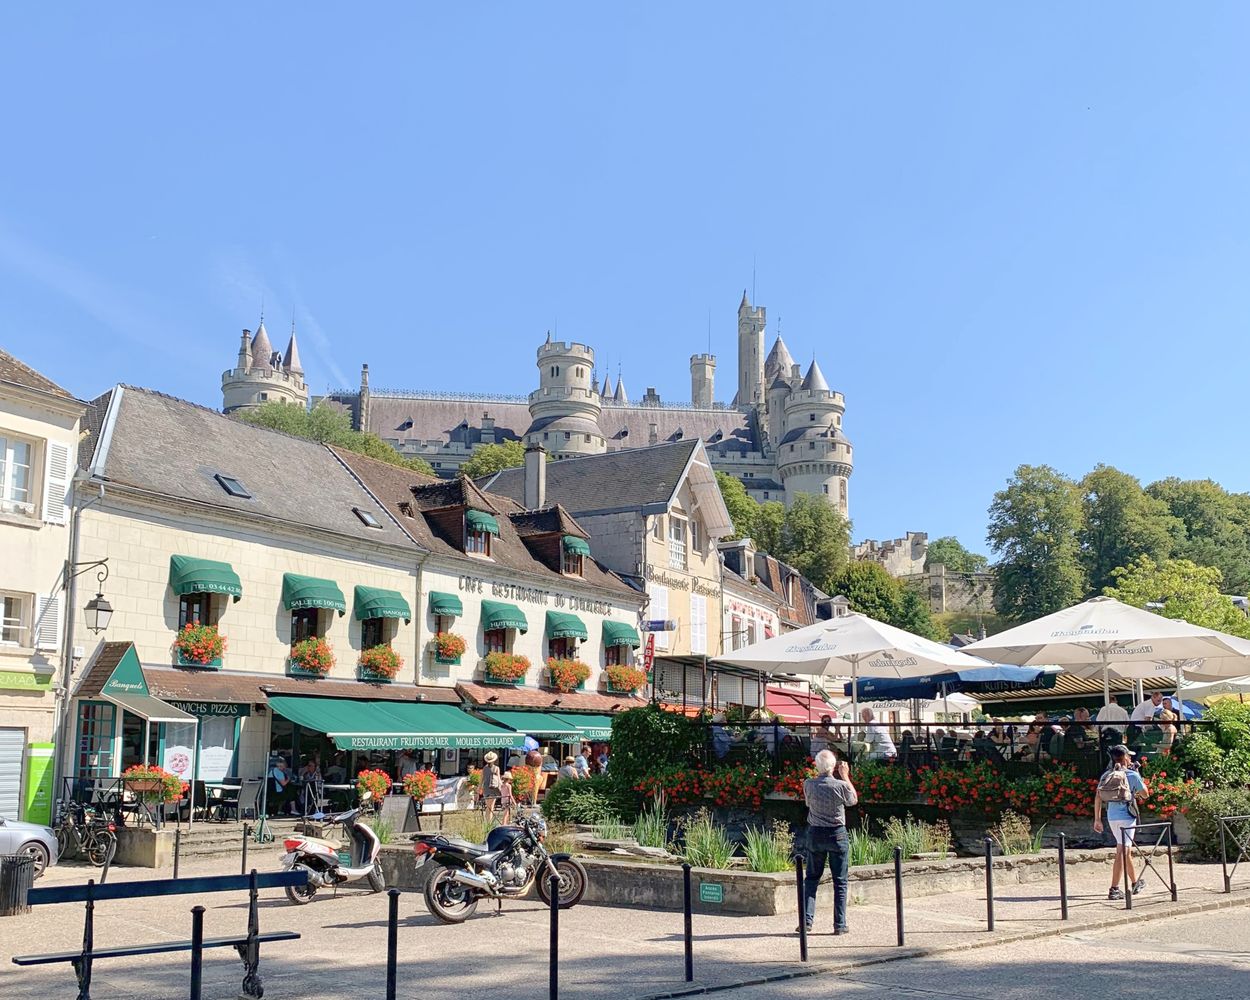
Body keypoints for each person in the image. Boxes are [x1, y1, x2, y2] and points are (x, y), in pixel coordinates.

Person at [801, 749, 858, 935]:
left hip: (816, 833)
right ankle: (840, 925)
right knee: (840, 881)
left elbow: (808, 804)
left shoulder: (808, 784)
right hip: (837, 834)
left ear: (817, 766)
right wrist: (845, 776)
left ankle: (806, 921)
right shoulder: (841, 785)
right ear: (833, 766)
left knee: (811, 879)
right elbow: (853, 800)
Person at [1092, 744, 1149, 900]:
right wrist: (1138, 779)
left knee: (1126, 851)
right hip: (1127, 817)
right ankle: (1114, 888)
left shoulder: (1107, 775)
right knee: (1122, 852)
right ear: (1125, 758)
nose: (1131, 758)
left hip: (1112, 816)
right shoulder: (1132, 774)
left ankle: (1135, 882)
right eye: (1129, 756)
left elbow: (1098, 797)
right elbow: (1145, 795)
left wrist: (1097, 819)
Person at [480, 751, 502, 819]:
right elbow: (498, 780)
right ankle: (489, 823)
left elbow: (481, 779)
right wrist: (501, 788)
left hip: (485, 789)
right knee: (491, 807)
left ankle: (487, 822)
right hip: (493, 789)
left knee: (488, 807)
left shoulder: (484, 768)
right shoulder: (496, 768)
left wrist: (479, 787)